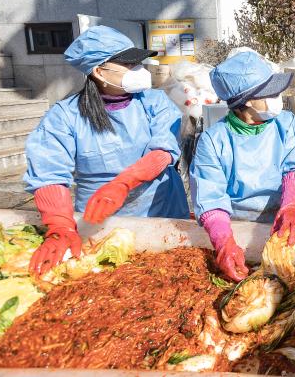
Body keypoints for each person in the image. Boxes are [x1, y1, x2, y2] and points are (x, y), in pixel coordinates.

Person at [25, 26, 188, 276]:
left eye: (137, 63)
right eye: (128, 64)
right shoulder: (65, 116)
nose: (138, 70)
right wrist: (60, 225)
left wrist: (123, 182)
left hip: (161, 208)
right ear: (99, 71)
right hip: (102, 220)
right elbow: (48, 172)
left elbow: (164, 150)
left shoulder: (155, 102)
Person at [190, 51, 295, 281]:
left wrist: (291, 207)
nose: (277, 97)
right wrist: (224, 242)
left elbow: (294, 170)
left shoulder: (286, 124)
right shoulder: (214, 140)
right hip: (237, 227)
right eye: (269, 93)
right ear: (244, 101)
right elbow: (210, 198)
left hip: (285, 222)